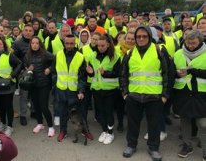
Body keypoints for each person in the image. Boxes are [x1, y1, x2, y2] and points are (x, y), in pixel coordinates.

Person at [120, 26, 169, 161]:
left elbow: (167, 74)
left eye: (144, 36)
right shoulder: (130, 53)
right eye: (138, 36)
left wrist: (165, 96)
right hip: (134, 96)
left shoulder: (159, 50)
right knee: (132, 123)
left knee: (154, 124)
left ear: (149, 37)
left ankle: (153, 148)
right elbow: (123, 75)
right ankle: (131, 145)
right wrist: (125, 94)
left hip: (154, 96)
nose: (141, 39)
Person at [172, 30, 206, 160]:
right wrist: (176, 74)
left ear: (200, 42)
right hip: (183, 92)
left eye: (193, 43)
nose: (190, 45)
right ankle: (187, 145)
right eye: (188, 43)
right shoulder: (178, 53)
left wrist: (193, 71)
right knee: (185, 121)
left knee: (203, 124)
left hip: (202, 94)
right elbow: (171, 72)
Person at [50, 34, 87, 142]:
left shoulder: (80, 57)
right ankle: (63, 131)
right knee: (62, 112)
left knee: (78, 112)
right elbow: (54, 71)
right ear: (64, 43)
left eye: (71, 43)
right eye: (67, 43)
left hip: (74, 91)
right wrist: (55, 85)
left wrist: (80, 90)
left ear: (75, 43)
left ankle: (84, 130)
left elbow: (82, 76)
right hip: (61, 89)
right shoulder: (58, 55)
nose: (69, 45)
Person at [86, 34, 120, 144]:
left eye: (103, 45)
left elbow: (117, 73)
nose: (100, 47)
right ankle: (104, 130)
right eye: (98, 45)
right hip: (96, 89)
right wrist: (90, 73)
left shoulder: (115, 56)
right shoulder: (92, 56)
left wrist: (106, 73)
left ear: (108, 45)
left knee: (109, 112)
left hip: (110, 90)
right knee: (100, 112)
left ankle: (110, 133)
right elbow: (92, 74)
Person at [24, 36, 55, 137]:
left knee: (44, 106)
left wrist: (49, 69)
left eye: (37, 43)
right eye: (33, 43)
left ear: (40, 44)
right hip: (33, 84)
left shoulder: (45, 53)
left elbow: (56, 60)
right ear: (30, 44)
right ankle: (40, 124)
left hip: (43, 84)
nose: (35, 45)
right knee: (36, 106)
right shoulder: (27, 55)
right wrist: (28, 69)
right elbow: (25, 66)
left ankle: (51, 127)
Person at [12, 24, 34, 126]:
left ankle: (34, 111)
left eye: (30, 30)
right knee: (24, 95)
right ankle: (23, 115)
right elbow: (13, 60)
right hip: (23, 72)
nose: (28, 32)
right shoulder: (17, 43)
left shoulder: (36, 42)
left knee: (35, 94)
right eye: (26, 30)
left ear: (33, 32)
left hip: (35, 71)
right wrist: (21, 69)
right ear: (23, 31)